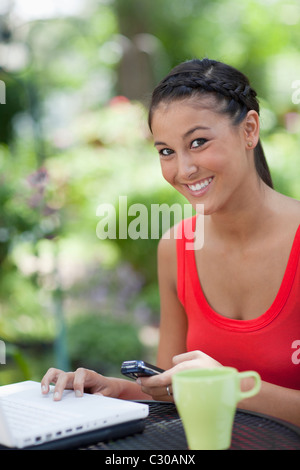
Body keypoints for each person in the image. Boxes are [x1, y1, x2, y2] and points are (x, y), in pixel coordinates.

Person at [41, 58, 300, 426]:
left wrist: (234, 386)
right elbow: (172, 391)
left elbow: (216, 386)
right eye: (166, 151)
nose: (183, 170)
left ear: (249, 130)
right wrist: (113, 390)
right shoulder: (176, 247)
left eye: (198, 142)